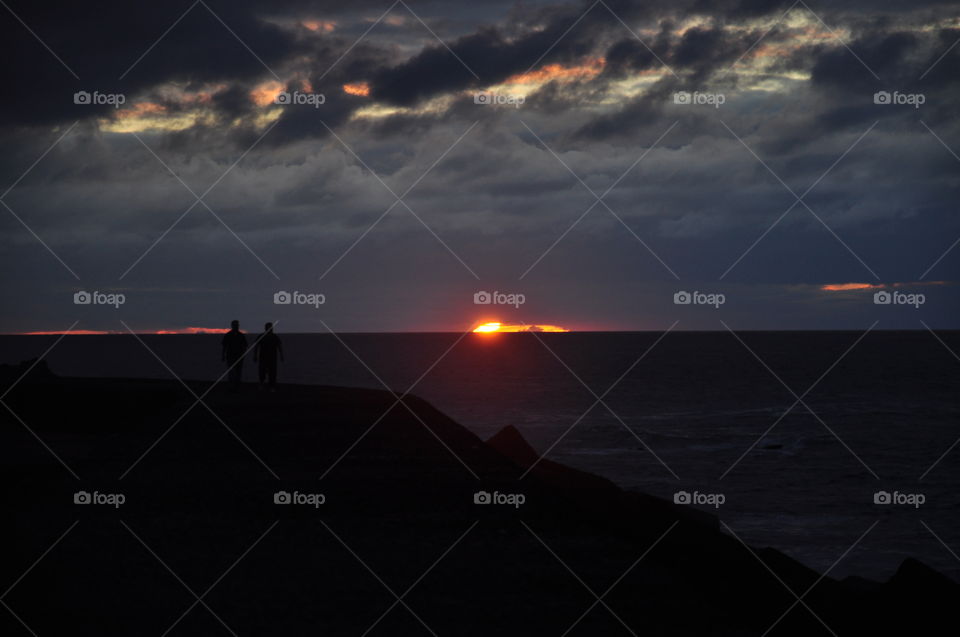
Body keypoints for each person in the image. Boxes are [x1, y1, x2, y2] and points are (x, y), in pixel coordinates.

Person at [254, 322, 284, 391]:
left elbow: (279, 346)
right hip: (263, 358)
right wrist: (255, 355)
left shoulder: (274, 337)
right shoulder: (262, 336)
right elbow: (256, 346)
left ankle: (271, 386)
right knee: (262, 372)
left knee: (272, 373)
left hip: (272, 358)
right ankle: (262, 384)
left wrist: (281, 355)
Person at [221, 320, 247, 390]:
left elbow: (245, 346)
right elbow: (224, 346)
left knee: (238, 371)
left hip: (239, 356)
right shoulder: (228, 335)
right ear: (232, 326)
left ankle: (236, 386)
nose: (237, 326)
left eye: (237, 325)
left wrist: (243, 354)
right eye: (235, 325)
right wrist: (223, 355)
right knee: (232, 372)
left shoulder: (241, 335)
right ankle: (232, 386)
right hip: (230, 356)